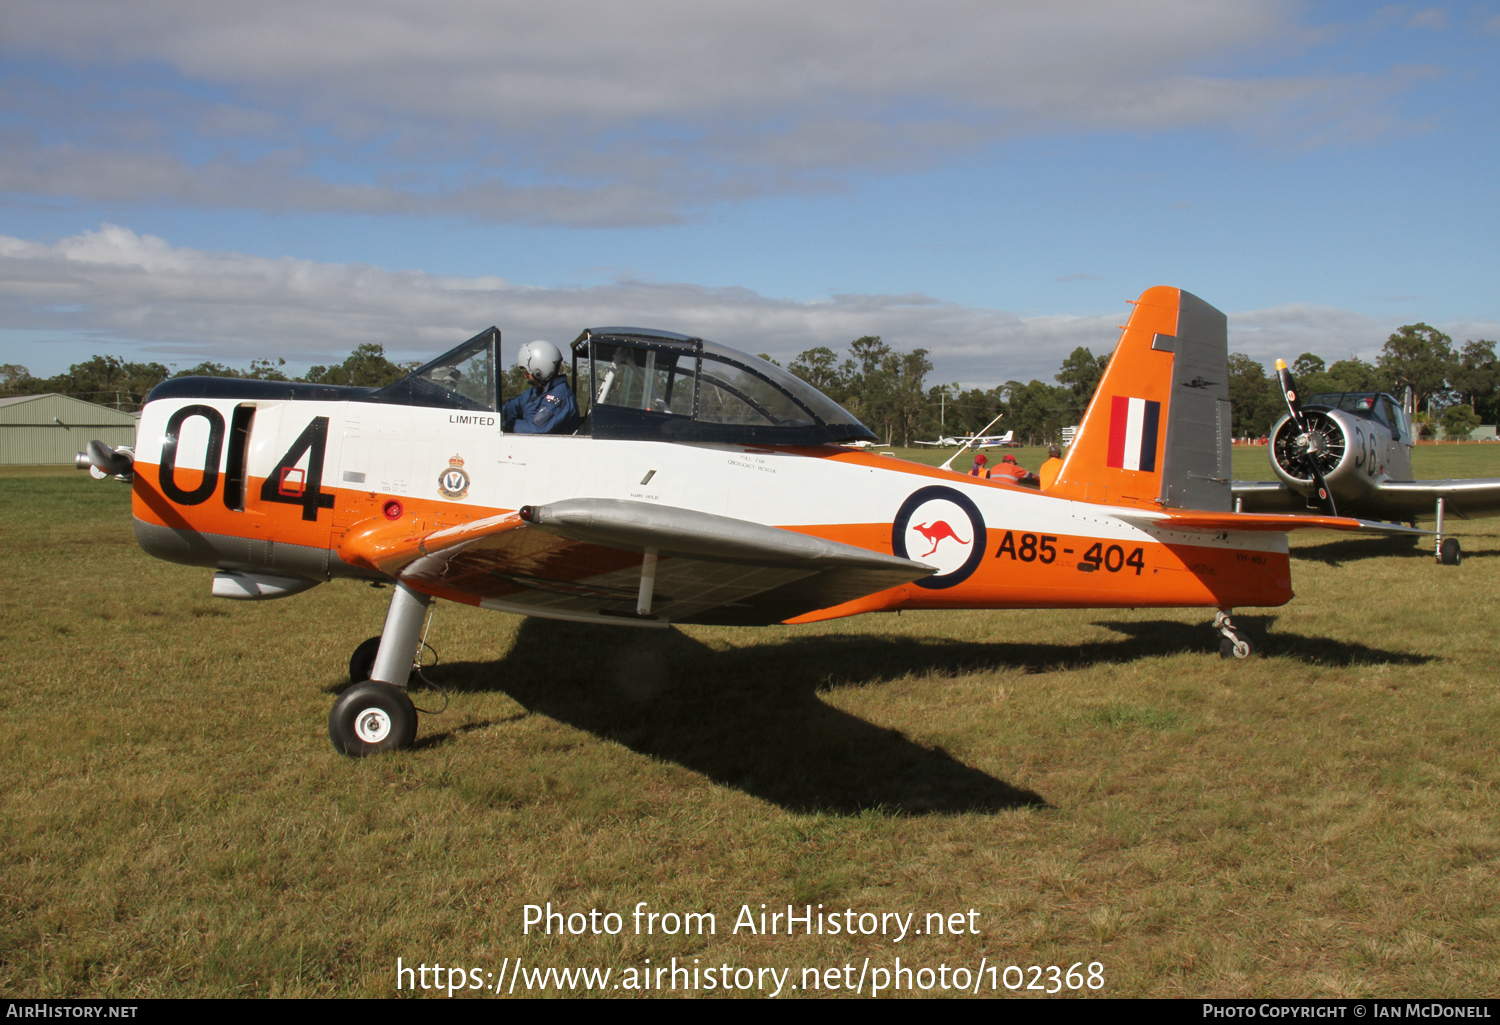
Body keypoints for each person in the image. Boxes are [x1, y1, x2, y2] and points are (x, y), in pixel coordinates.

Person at [502, 340, 580, 434]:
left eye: (528, 371)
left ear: (539, 370)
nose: (525, 375)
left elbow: (537, 429)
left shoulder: (558, 398)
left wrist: (509, 424)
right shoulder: (536, 392)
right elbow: (511, 408)